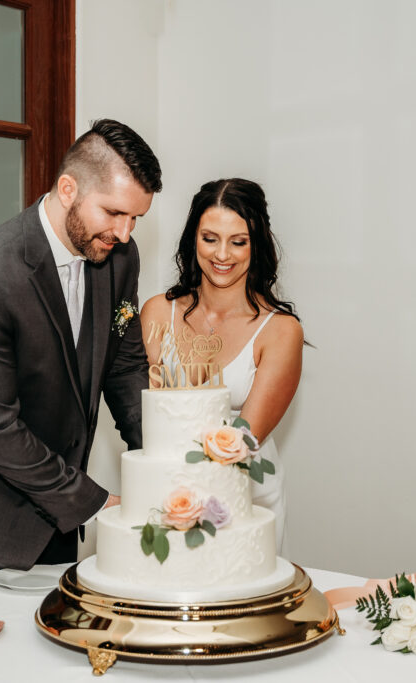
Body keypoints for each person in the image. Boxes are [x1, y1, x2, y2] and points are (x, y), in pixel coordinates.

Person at [0, 119, 161, 585]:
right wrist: (96, 502)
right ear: (68, 189)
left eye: (136, 218)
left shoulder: (119, 258)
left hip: (57, 511)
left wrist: (161, 460)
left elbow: (125, 369)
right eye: (113, 213)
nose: (125, 233)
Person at [139, 178, 303, 551]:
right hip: (166, 489)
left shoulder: (279, 331)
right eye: (210, 238)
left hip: (247, 495)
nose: (222, 255)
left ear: (256, 244)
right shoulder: (156, 313)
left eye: (238, 241)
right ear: (192, 239)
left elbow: (246, 437)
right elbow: (143, 411)